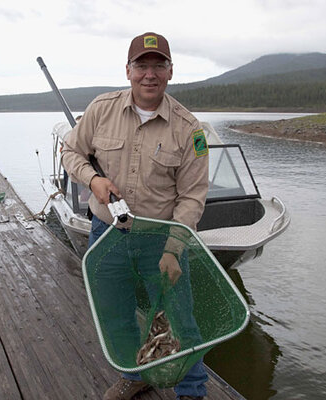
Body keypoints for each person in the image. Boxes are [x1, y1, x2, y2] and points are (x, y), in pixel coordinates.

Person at [61, 32, 210, 400]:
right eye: (141, 65)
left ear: (170, 71)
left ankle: (192, 392)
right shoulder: (101, 109)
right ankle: (134, 373)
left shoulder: (189, 129)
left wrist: (174, 249)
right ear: (127, 70)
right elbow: (70, 151)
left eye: (158, 66)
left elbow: (192, 198)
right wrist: (93, 180)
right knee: (116, 313)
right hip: (106, 233)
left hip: (161, 238)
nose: (149, 74)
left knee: (180, 318)